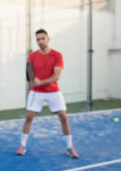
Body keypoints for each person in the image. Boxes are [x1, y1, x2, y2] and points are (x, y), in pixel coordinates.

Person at [17, 29, 79, 159]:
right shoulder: (32, 56)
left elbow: (56, 76)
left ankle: (69, 147)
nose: (40, 41)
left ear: (48, 38)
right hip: (36, 92)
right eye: (38, 39)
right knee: (29, 117)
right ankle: (22, 145)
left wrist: (40, 82)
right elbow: (30, 74)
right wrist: (34, 81)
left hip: (53, 91)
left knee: (63, 116)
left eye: (42, 38)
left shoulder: (57, 55)